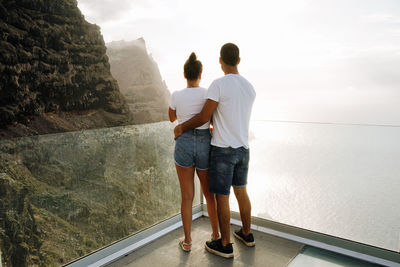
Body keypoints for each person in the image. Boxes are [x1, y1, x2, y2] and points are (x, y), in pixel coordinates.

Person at [174, 43, 256, 258]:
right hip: (243, 148)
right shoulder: (249, 87)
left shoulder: (218, 85)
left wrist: (181, 127)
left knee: (221, 196)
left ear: (220, 60)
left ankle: (225, 244)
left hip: (223, 150)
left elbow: (203, 117)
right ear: (239, 60)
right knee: (241, 191)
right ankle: (247, 234)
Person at [168, 52, 220, 252]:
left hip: (184, 143)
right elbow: (212, 117)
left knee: (187, 196)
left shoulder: (176, 95)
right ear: (200, 74)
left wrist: (182, 115)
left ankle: (188, 241)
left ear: (184, 74)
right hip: (205, 141)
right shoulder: (208, 93)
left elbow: (172, 118)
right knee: (209, 193)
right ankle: (215, 234)